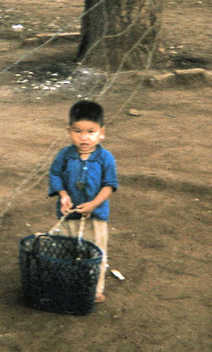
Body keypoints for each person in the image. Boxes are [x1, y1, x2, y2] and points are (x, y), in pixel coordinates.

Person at [48, 100, 118, 303]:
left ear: (101, 132)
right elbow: (55, 175)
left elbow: (109, 185)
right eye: (78, 131)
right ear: (69, 131)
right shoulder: (65, 155)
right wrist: (63, 195)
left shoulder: (106, 158)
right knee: (67, 250)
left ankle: (95, 288)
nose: (84, 137)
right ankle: (69, 284)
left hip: (96, 216)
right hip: (69, 214)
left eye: (90, 131)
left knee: (96, 251)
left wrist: (94, 204)